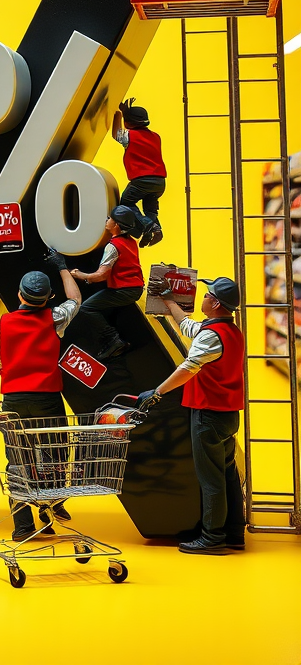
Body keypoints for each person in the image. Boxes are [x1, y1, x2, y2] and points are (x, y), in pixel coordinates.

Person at [137, 276, 245, 555]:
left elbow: (189, 368)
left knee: (211, 479)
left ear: (216, 303)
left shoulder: (211, 336)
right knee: (228, 474)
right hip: (228, 414)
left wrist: (157, 392)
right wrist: (169, 300)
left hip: (208, 415)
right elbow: (187, 326)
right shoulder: (228, 331)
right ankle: (234, 532)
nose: (203, 298)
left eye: (208, 295)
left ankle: (212, 537)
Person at [0, 251, 82, 540]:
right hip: (47, 398)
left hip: (14, 399)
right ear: (48, 298)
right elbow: (75, 301)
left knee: (17, 460)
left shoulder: (4, 323)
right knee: (55, 452)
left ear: (19, 294)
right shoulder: (54, 317)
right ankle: (53, 500)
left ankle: (23, 526)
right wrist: (63, 268)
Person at [69, 205, 143, 359]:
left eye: (110, 218)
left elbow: (101, 275)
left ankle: (113, 340)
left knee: (86, 308)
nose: (107, 220)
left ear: (116, 225)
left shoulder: (113, 246)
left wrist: (80, 275)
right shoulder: (130, 241)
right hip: (134, 287)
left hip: (125, 290)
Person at [112, 96, 166, 246]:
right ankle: (153, 230)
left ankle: (150, 226)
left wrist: (118, 114)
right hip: (160, 181)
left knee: (126, 203)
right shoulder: (156, 136)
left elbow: (116, 133)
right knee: (150, 209)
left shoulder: (130, 136)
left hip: (142, 180)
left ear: (128, 123)